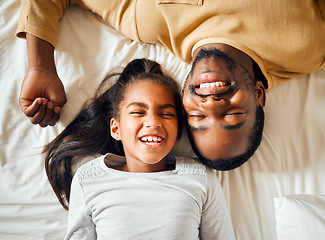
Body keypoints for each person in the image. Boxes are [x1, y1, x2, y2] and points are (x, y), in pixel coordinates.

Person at [16, 0, 325, 170]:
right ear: (259, 94)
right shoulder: (310, 48)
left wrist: (40, 65)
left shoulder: (144, 19)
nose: (213, 104)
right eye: (233, 116)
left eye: (199, 118)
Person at [43, 58, 236, 239]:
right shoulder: (88, 180)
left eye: (166, 114)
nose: (153, 122)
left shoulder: (200, 179)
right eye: (138, 112)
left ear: (178, 132)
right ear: (116, 129)